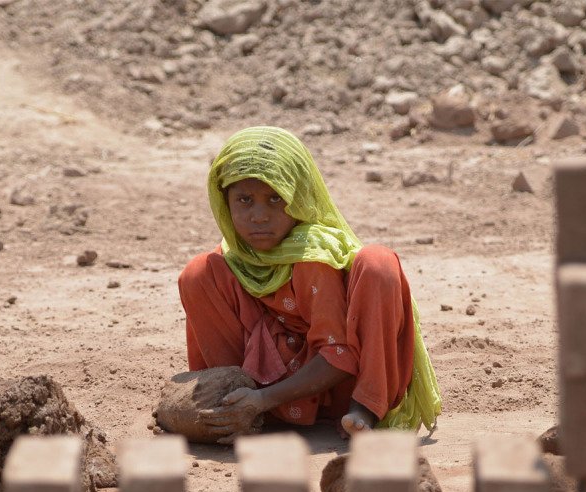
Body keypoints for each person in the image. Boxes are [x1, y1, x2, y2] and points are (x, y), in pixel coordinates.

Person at [178, 126, 440, 443]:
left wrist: (264, 399)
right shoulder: (233, 261)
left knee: (378, 262)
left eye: (276, 198)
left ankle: (366, 410)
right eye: (244, 200)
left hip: (338, 387)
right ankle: (231, 407)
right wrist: (248, 402)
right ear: (224, 203)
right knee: (196, 272)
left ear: (299, 199)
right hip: (264, 397)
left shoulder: (312, 254)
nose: (259, 215)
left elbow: (339, 353)